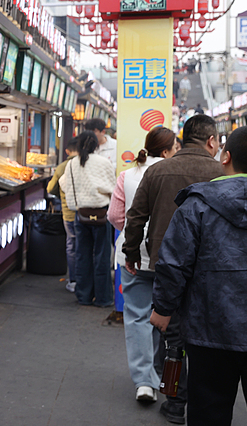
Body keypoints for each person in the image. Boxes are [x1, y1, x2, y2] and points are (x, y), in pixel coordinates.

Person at [150, 126, 247, 425]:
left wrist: (163, 308)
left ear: (225, 156)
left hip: (210, 330)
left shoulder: (197, 204)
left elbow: (174, 262)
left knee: (209, 412)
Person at [123, 114, 224, 424]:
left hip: (165, 261)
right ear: (210, 141)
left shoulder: (157, 170)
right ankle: (204, 400)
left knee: (173, 337)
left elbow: (136, 216)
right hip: (211, 266)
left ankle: (174, 400)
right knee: (207, 335)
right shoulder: (221, 172)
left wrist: (131, 251)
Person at [107, 127, 177, 403]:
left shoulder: (128, 174)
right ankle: (163, 374)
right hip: (169, 257)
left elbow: (114, 215)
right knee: (165, 313)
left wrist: (129, 233)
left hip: (132, 255)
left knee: (136, 316)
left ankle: (143, 381)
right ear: (166, 151)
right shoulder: (174, 174)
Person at [59, 131, 116, 307]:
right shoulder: (103, 162)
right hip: (101, 216)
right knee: (102, 256)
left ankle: (83, 296)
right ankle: (103, 298)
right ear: (95, 146)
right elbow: (112, 187)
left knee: (83, 256)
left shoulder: (71, 164)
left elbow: (62, 183)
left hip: (81, 215)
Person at [47, 136, 79, 293]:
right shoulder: (86, 164)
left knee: (72, 245)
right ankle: (85, 280)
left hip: (68, 213)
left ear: (67, 151)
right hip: (88, 213)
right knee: (87, 246)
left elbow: (50, 189)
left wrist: (62, 195)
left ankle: (73, 280)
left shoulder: (62, 167)